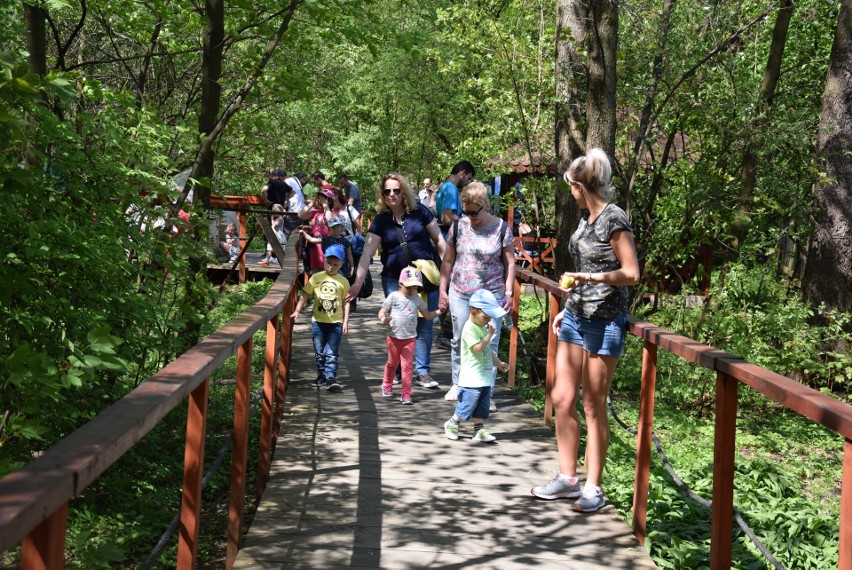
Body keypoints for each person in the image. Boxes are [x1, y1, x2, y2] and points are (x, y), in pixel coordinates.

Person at [530, 148, 639, 513]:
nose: (570, 193)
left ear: (579, 186)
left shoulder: (614, 219)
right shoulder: (584, 218)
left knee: (593, 406)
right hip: (576, 317)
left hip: (605, 322)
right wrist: (567, 305)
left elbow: (631, 273)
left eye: (571, 187)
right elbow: (579, 271)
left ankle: (593, 487)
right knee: (562, 398)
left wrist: (588, 277)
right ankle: (567, 478)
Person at [346, 173, 447, 389]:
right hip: (395, 280)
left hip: (423, 279)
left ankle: (422, 372)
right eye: (387, 191)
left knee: (424, 324)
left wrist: (450, 273)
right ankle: (403, 369)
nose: (392, 195)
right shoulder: (382, 220)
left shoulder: (420, 213)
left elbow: (439, 240)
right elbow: (367, 253)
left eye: (396, 190)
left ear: (404, 192)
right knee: (400, 323)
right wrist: (357, 282)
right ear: (383, 195)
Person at [438, 181, 515, 403]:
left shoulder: (501, 228)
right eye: (466, 211)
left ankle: (484, 393)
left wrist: (508, 292)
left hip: (492, 296)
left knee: (489, 342)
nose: (470, 216)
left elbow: (510, 263)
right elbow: (448, 260)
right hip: (461, 292)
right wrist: (443, 290)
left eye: (474, 212)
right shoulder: (458, 227)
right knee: (460, 339)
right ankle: (458, 384)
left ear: (486, 206)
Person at [443, 289, 509, 442]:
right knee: (467, 404)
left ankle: (479, 430)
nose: (488, 321)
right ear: (472, 311)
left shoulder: (481, 327)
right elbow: (477, 348)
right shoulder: (469, 329)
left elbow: (487, 350)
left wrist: (498, 363)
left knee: (482, 406)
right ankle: (452, 423)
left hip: (484, 377)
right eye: (486, 317)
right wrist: (489, 335)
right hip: (472, 378)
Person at [378, 267, 445, 404]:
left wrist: (439, 312)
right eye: (409, 287)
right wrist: (383, 319)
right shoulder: (393, 296)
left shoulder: (417, 299)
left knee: (407, 367)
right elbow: (381, 312)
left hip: (410, 339)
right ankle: (387, 384)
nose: (412, 290)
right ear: (400, 284)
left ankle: (406, 393)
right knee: (392, 363)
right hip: (394, 337)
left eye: (415, 287)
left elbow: (427, 315)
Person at [291, 244, 352, 392]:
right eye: (328, 263)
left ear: (342, 264)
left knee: (331, 352)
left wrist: (345, 322)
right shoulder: (316, 277)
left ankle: (331, 378)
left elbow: (346, 303)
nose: (331, 267)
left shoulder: (343, 281)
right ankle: (321, 375)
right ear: (323, 260)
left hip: (335, 323)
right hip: (318, 322)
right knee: (319, 352)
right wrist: (297, 310)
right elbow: (305, 294)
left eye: (335, 264)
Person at [435, 161, 475, 233]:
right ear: (462, 173)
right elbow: (447, 219)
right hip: (448, 237)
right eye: (468, 178)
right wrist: (471, 220)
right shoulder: (451, 188)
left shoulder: (445, 186)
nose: (467, 182)